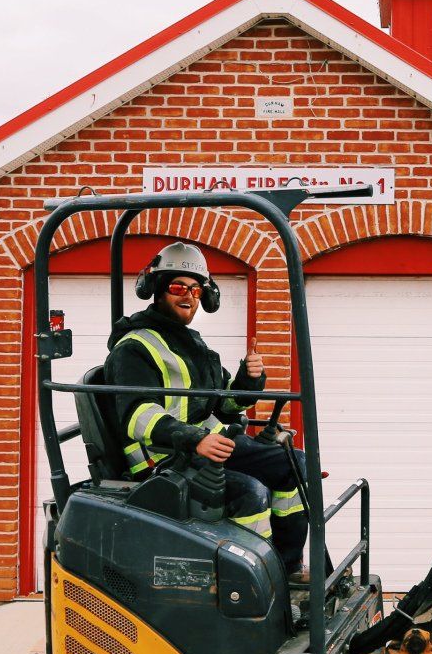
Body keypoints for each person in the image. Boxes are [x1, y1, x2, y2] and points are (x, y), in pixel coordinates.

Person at [106, 242, 310, 577]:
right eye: (177, 287)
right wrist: (192, 439)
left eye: (196, 289)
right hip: (163, 460)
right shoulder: (133, 349)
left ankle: (289, 567)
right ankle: (257, 580)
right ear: (157, 290)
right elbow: (138, 415)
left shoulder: (193, 345)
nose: (188, 295)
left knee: (295, 462)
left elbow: (225, 406)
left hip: (205, 448)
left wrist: (248, 381)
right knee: (251, 492)